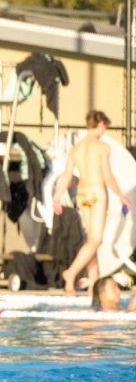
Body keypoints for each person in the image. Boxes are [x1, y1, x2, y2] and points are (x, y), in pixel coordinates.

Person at [53, 110, 131, 294]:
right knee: (96, 240)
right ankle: (71, 273)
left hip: (82, 195)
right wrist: (121, 196)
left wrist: (57, 196)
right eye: (105, 126)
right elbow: (107, 175)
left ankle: (92, 283)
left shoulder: (76, 148)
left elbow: (66, 176)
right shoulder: (102, 147)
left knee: (90, 241)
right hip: (96, 194)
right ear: (101, 124)